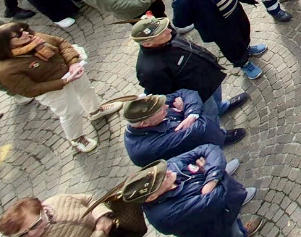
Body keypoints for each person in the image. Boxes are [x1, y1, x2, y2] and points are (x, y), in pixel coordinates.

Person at [0, 21, 120, 153]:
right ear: (5, 44)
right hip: (52, 90)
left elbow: (61, 43)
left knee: (86, 91)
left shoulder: (35, 38)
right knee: (71, 113)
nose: (26, 34)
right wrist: (63, 81)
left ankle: (95, 111)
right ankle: (76, 138)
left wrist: (73, 63)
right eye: (18, 35)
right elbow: (29, 89)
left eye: (23, 30)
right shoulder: (6, 70)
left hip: (70, 71)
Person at [119, 145, 258, 237]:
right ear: (152, 197)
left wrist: (212, 178)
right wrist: (209, 172)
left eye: (162, 171)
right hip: (214, 230)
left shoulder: (169, 170)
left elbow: (208, 149)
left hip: (221, 216)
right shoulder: (166, 215)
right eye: (161, 179)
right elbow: (218, 197)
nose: (167, 171)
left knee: (234, 223)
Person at [131, 15, 250, 123]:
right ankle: (219, 135)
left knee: (216, 100)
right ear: (147, 44)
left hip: (208, 77)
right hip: (198, 96)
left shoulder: (166, 37)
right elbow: (167, 94)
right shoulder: (150, 70)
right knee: (208, 115)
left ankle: (221, 108)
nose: (169, 30)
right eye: (162, 32)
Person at [172, 0, 265, 80]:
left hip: (235, 10)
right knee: (231, 46)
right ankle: (243, 62)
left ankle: (247, 48)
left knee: (244, 30)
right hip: (220, 27)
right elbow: (180, 21)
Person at [123, 90, 241, 168]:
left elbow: (185, 92)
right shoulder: (146, 148)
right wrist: (185, 111)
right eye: (160, 110)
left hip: (190, 141)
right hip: (189, 162)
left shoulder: (151, 113)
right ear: (144, 123)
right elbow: (200, 129)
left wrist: (191, 114)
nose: (166, 106)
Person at [0, 193, 146, 237]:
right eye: (23, 235)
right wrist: (99, 233)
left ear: (43, 208)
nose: (31, 234)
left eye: (36, 224)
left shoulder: (56, 200)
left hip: (116, 230)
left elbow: (88, 199)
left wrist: (102, 216)